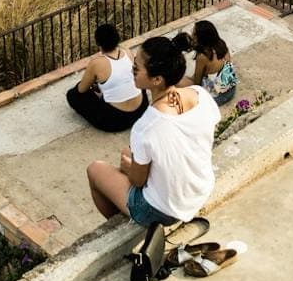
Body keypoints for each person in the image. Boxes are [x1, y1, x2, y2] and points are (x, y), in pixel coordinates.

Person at [85, 35, 219, 230]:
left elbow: (138, 181)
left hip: (164, 209)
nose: (131, 71)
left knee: (95, 169)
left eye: (135, 68)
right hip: (200, 189)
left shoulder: (147, 125)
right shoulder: (200, 95)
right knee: (126, 153)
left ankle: (126, 227)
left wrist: (129, 168)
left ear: (157, 79)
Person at [67, 22, 147, 133]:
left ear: (98, 43)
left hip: (114, 121)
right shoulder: (127, 52)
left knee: (73, 95)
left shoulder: (97, 63)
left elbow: (81, 90)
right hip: (140, 111)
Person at [183, 19, 238, 106]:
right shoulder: (221, 43)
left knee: (180, 82)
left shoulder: (202, 57)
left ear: (201, 38)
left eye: (194, 34)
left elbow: (197, 83)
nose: (192, 36)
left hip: (217, 98)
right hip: (231, 90)